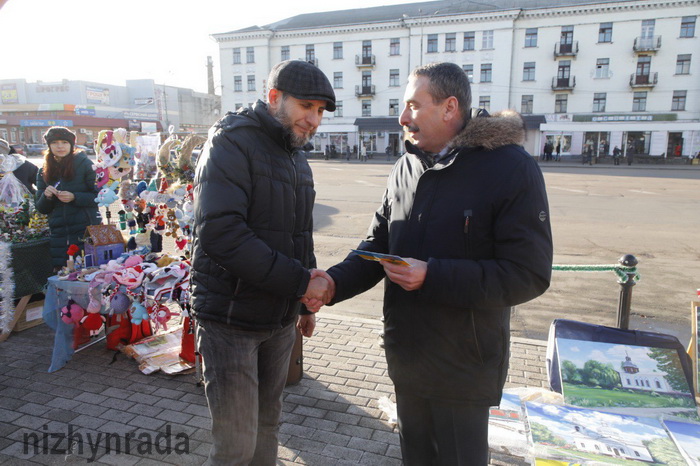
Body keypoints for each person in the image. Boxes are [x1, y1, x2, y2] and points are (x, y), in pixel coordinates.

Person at [309, 62, 553, 465]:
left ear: (449, 108)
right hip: (408, 360)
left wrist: (432, 275)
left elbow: (528, 274)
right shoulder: (406, 166)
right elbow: (377, 245)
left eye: (412, 105)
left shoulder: (510, 168)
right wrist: (332, 284)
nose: (402, 118)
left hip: (463, 367)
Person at [190, 59, 336, 466]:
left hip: (278, 321)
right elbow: (222, 235)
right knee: (235, 444)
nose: (314, 120)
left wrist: (303, 302)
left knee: (268, 426)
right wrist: (299, 283)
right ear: (275, 98)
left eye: (321, 111)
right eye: (307, 106)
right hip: (229, 322)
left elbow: (298, 237)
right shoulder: (231, 141)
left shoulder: (297, 157)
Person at [34, 127, 99, 270]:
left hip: (85, 229)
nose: (60, 146)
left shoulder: (85, 164)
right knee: (62, 273)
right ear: (49, 146)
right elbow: (41, 208)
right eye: (55, 142)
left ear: (71, 145)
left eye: (64, 142)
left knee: (88, 271)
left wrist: (75, 197)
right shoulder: (43, 170)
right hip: (59, 234)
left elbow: (99, 196)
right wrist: (46, 196)